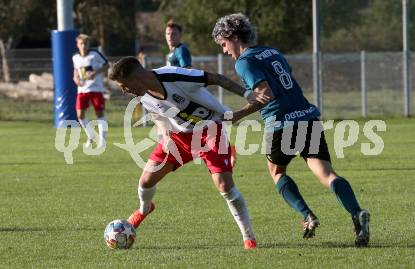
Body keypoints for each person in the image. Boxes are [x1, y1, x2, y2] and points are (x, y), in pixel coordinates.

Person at [212, 13, 370, 247]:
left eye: (224, 44)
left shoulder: (244, 61)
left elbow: (266, 94)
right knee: (326, 173)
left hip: (281, 123)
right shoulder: (272, 51)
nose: (225, 51)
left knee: (277, 173)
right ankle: (357, 212)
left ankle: (308, 215)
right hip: (307, 116)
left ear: (232, 36)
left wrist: (238, 115)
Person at [108, 56, 268, 249]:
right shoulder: (142, 95)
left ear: (136, 77)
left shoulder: (173, 75)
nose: (124, 91)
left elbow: (217, 78)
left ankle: (248, 237)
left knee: (225, 186)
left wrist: (246, 94)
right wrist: (165, 135)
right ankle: (144, 209)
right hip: (178, 137)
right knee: (145, 182)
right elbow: (158, 115)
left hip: (210, 130)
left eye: (124, 85)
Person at [72, 34, 109, 148]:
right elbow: (76, 71)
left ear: (88, 44)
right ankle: (91, 135)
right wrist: (76, 79)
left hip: (96, 88)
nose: (83, 46)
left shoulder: (95, 54)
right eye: (81, 44)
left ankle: (102, 141)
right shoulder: (75, 57)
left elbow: (106, 65)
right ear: (77, 45)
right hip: (82, 90)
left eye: (85, 43)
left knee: (99, 113)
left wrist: (95, 73)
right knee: (80, 115)